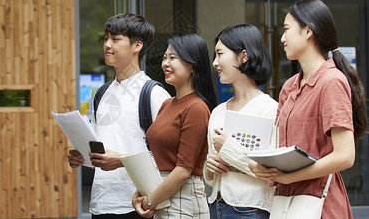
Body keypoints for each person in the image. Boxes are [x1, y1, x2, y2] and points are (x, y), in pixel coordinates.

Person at [249, 0, 368, 218]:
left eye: (286, 29)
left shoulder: (331, 81)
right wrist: (264, 168)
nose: (282, 38)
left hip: (320, 206)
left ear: (307, 31)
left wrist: (288, 177)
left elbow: (345, 156)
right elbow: (280, 147)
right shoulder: (289, 86)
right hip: (286, 203)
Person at [67, 13, 171, 219]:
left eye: (115, 39)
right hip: (100, 203)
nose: (107, 44)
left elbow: (170, 157)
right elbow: (100, 145)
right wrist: (82, 156)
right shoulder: (102, 93)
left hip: (138, 205)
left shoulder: (153, 94)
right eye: (106, 38)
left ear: (137, 46)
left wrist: (122, 160)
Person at [132, 33, 217, 219]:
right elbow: (158, 158)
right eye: (164, 58)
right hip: (162, 194)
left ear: (193, 65)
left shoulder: (196, 108)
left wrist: (151, 201)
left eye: (173, 58)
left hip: (183, 199)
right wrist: (139, 193)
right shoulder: (167, 104)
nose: (165, 64)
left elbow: (183, 171)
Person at [204, 24, 278, 219]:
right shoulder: (218, 112)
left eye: (220, 54)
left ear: (243, 56)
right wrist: (209, 169)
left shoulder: (270, 109)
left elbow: (269, 173)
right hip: (215, 206)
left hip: (250, 209)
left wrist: (228, 147)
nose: (215, 63)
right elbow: (212, 176)